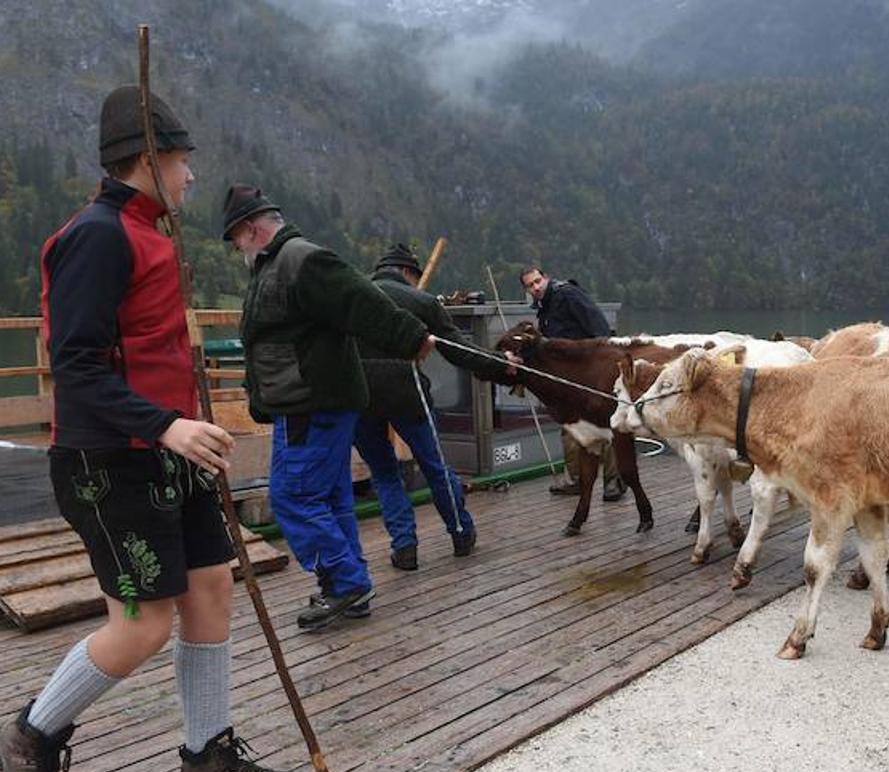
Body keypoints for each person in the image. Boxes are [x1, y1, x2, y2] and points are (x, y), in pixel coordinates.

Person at [0, 87, 301, 772]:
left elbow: (147, 350)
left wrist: (185, 429)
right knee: (144, 622)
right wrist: (166, 425)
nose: (192, 178)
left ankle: (207, 762)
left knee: (212, 591)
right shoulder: (97, 236)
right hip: (109, 463)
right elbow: (76, 364)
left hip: (167, 451)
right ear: (151, 159)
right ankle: (30, 733)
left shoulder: (151, 232)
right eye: (185, 162)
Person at [223, 185, 431, 632]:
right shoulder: (273, 265)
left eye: (235, 238)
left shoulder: (302, 260)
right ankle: (349, 586)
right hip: (303, 402)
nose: (235, 247)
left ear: (250, 229)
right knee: (329, 496)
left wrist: (409, 336)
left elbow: (360, 298)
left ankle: (345, 582)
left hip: (310, 402)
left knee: (293, 496)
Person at [355, 243, 513, 571]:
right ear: (408, 273)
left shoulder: (354, 295)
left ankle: (405, 547)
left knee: (384, 473)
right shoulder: (421, 301)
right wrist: (501, 364)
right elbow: (458, 350)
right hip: (406, 393)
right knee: (435, 466)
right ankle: (460, 533)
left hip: (360, 397)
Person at [517, 266, 624, 500]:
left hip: (590, 371)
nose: (535, 287)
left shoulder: (568, 294)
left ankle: (613, 483)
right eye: (530, 285)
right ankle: (575, 480)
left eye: (537, 281)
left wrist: (604, 366)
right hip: (567, 377)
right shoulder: (542, 307)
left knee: (603, 425)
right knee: (569, 426)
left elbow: (599, 327)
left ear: (545, 278)